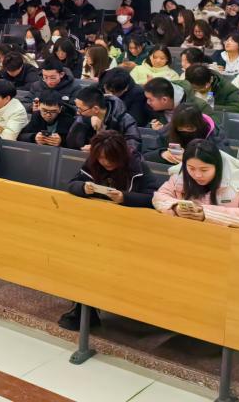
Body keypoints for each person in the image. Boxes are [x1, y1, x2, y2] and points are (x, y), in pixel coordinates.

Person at [58, 130, 158, 331]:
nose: (105, 162)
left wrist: (125, 198)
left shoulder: (137, 166)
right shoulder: (93, 163)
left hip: (130, 229)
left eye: (110, 158)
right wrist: (83, 188)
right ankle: (84, 309)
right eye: (101, 158)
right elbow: (72, 184)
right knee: (81, 254)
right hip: (96, 226)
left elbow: (154, 198)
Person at [153, 139, 239, 227]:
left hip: (227, 239)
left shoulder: (238, 182)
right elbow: (158, 197)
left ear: (217, 167)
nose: (197, 175)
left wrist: (207, 214)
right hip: (189, 232)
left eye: (204, 170)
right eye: (191, 168)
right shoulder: (180, 176)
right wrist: (175, 208)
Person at [146, 103, 227, 164]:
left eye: (190, 128)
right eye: (180, 128)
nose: (185, 131)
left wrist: (190, 158)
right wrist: (162, 154)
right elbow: (146, 156)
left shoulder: (214, 134)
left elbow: (223, 159)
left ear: (199, 125)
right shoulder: (167, 131)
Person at [67, 87, 140, 152]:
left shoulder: (125, 120)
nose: (78, 112)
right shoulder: (84, 116)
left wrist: (100, 150)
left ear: (96, 109)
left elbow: (132, 148)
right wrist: (87, 121)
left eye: (80, 109)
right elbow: (72, 144)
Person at [142, 77, 210, 130]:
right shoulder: (153, 107)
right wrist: (151, 127)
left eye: (150, 99)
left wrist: (165, 131)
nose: (148, 102)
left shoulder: (200, 107)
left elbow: (210, 135)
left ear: (164, 100)